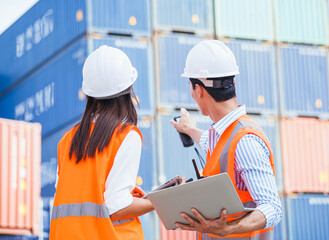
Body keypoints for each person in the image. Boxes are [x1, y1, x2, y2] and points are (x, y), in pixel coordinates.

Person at [171, 40, 282, 239]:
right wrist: (190, 130)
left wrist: (228, 229)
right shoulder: (224, 134)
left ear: (199, 90)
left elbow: (273, 208)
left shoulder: (245, 141)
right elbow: (214, 146)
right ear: (234, 84)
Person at [49, 45, 154, 240]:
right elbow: (117, 205)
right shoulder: (126, 135)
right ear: (128, 89)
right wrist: (157, 201)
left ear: (89, 94)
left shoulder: (67, 140)